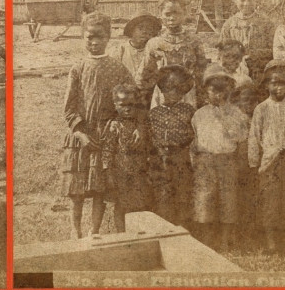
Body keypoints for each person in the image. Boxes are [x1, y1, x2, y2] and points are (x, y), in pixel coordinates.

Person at [61, 12, 134, 239]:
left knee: (99, 189)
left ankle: (94, 230)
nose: (94, 42)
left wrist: (116, 126)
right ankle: (76, 230)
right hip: (82, 136)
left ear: (108, 37)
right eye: (89, 37)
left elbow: (130, 101)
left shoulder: (118, 68)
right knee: (77, 188)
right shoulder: (78, 68)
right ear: (82, 37)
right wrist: (80, 133)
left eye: (100, 37)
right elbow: (69, 107)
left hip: (106, 137)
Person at [248, 60, 285, 255]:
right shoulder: (262, 109)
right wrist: (254, 163)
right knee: (270, 202)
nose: (279, 87)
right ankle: (271, 244)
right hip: (269, 161)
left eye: (283, 83)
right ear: (267, 84)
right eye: (274, 83)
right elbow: (254, 137)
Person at [191, 64, 250, 251]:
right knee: (205, 199)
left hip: (227, 160)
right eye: (213, 90)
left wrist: (225, 116)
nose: (218, 95)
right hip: (206, 161)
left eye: (223, 90)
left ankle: (226, 240)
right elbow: (195, 141)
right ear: (206, 92)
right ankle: (207, 239)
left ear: (229, 91)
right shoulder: (199, 114)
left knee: (228, 200)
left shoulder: (236, 113)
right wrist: (196, 160)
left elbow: (240, 138)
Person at [137, 0, 207, 109]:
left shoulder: (194, 41)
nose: (172, 18)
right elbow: (144, 73)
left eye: (177, 13)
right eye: (168, 14)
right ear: (161, 15)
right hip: (162, 95)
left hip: (188, 94)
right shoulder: (154, 43)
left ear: (185, 14)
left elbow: (202, 71)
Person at [146, 65, 196, 227]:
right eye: (169, 88)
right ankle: (165, 229)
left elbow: (194, 136)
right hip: (160, 160)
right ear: (162, 89)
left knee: (182, 194)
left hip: (182, 158)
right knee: (163, 195)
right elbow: (149, 138)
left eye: (179, 89)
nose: (174, 93)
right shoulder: (154, 113)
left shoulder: (189, 111)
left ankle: (183, 230)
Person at [102, 84, 153, 232]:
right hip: (121, 173)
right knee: (121, 204)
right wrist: (108, 171)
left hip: (140, 171)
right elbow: (108, 150)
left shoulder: (142, 125)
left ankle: (140, 232)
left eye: (131, 105)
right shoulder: (114, 125)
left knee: (141, 202)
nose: (128, 109)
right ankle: (121, 233)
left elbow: (150, 146)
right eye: (123, 105)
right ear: (115, 105)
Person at [220, 0, 276, 79]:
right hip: (236, 71)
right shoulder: (229, 25)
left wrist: (253, 54)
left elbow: (274, 50)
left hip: (261, 70)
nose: (246, 3)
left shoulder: (266, 23)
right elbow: (222, 52)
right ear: (234, 0)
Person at [110, 13, 162, 79]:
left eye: (149, 28)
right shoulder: (119, 51)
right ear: (131, 30)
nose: (145, 31)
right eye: (141, 28)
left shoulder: (156, 52)